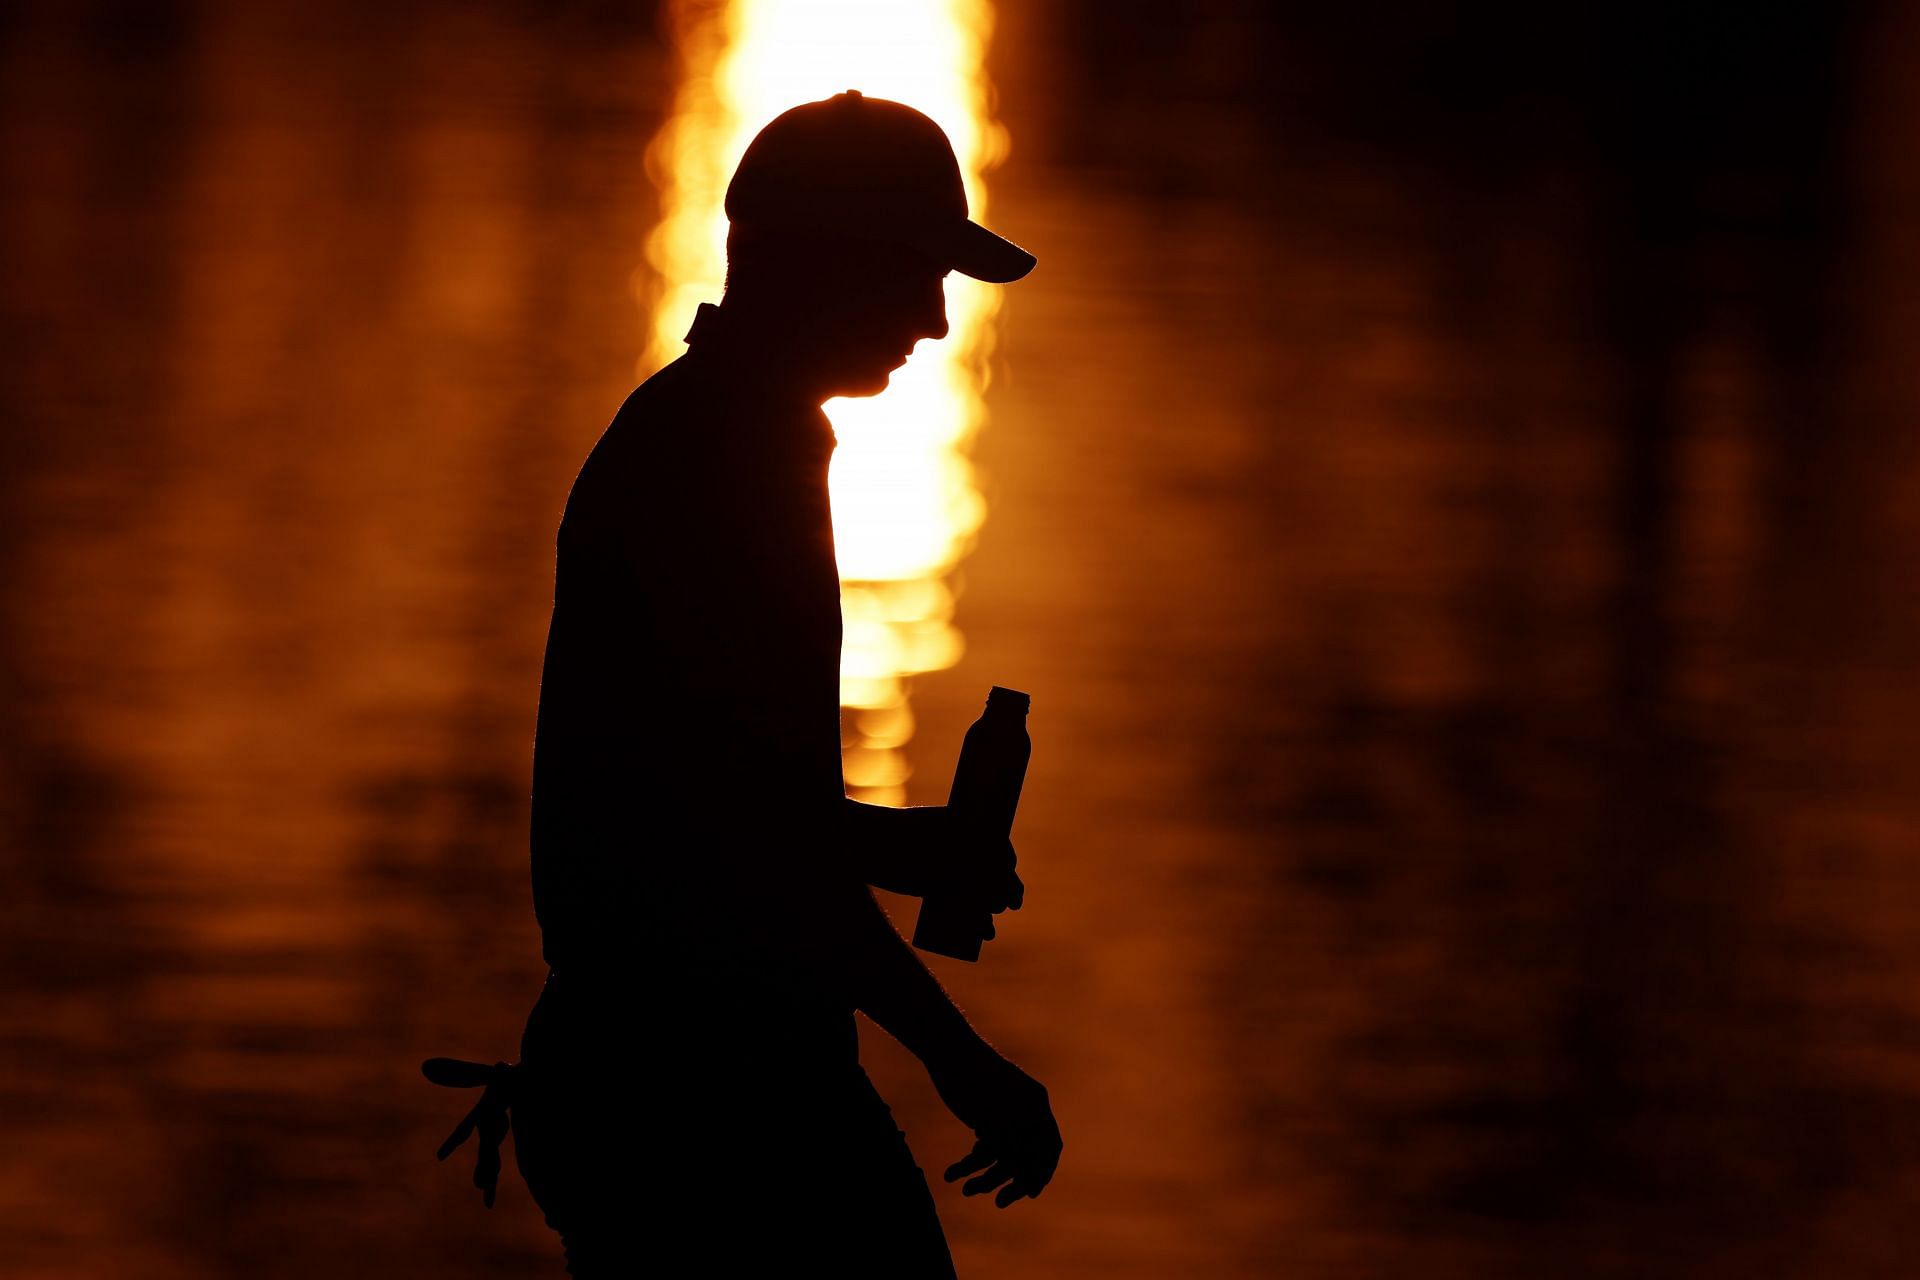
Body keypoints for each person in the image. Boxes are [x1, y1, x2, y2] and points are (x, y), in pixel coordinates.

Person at [424, 90, 1062, 1277]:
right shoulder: (732, 462)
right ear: (826, 261)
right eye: (915, 272)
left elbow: (737, 813)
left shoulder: (709, 433)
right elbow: (765, 858)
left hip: (642, 1076)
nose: (935, 318)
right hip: (712, 1096)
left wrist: (910, 850)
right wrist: (962, 1058)